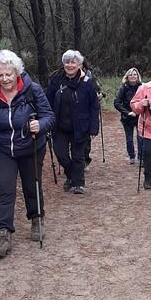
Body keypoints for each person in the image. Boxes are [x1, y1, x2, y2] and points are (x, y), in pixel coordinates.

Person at [0, 50, 55, 256]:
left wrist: (41, 124)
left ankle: (37, 219)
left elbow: (49, 116)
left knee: (32, 185)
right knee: (5, 188)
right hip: (3, 149)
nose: (4, 79)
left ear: (17, 72)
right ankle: (3, 234)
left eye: (8, 74)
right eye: (0, 75)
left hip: (31, 145)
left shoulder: (32, 89)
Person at [46, 50, 100, 195]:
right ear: (63, 64)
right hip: (59, 126)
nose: (70, 65)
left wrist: (93, 127)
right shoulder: (55, 80)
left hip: (80, 125)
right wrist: (46, 121)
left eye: (73, 62)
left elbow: (94, 106)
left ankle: (79, 183)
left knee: (78, 156)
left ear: (80, 64)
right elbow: (47, 102)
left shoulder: (87, 83)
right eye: (67, 62)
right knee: (61, 154)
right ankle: (71, 176)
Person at [114, 67, 143, 165]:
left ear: (138, 76)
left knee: (141, 137)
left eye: (135, 74)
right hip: (127, 118)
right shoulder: (124, 88)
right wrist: (127, 112)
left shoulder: (142, 87)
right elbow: (117, 102)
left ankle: (141, 157)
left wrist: (140, 111)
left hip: (140, 117)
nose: (133, 76)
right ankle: (132, 156)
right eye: (130, 74)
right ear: (127, 77)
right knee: (129, 138)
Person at [82, 58, 104, 166]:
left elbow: (99, 91)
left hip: (88, 111)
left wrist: (99, 96)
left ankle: (85, 160)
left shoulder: (90, 77)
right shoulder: (66, 77)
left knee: (86, 139)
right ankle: (78, 161)